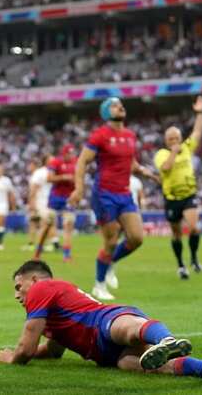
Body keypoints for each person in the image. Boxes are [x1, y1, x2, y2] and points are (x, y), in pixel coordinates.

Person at [0, 260, 202, 382]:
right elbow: (53, 350)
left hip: (102, 320)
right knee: (137, 364)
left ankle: (166, 339)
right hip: (105, 354)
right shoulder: (52, 315)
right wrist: (32, 353)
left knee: (127, 332)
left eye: (18, 286)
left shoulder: (41, 289)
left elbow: (25, 351)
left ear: (34, 280)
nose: (17, 295)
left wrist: (12, 357)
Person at [69, 97, 158, 300]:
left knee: (136, 238)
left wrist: (148, 173)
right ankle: (99, 285)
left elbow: (132, 163)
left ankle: (110, 263)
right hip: (104, 194)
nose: (121, 107)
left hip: (125, 194)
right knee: (111, 240)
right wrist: (79, 188)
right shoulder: (99, 135)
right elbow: (82, 162)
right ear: (106, 112)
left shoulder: (130, 135)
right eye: (115, 105)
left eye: (121, 104)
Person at [154, 96, 202, 279]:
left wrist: (199, 112)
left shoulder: (187, 148)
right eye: (170, 138)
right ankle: (181, 265)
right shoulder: (161, 154)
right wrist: (174, 153)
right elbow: (165, 169)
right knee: (176, 234)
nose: (174, 140)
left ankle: (193, 258)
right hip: (171, 198)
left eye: (176, 137)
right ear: (166, 140)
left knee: (193, 228)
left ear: (181, 137)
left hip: (189, 195)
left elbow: (198, 131)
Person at [46, 144, 77, 262]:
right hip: (55, 197)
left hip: (69, 198)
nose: (71, 155)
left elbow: (79, 178)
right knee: (48, 223)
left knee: (68, 225)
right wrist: (63, 177)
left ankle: (67, 254)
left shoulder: (76, 162)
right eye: (69, 153)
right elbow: (49, 178)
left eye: (72, 153)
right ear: (64, 154)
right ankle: (38, 252)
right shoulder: (55, 162)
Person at [25, 157, 58, 255]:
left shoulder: (51, 172)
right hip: (42, 201)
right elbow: (34, 188)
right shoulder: (41, 172)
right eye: (52, 159)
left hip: (48, 201)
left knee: (47, 223)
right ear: (46, 161)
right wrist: (32, 203)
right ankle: (42, 245)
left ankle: (47, 244)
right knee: (41, 222)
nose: (54, 161)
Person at [0, 166, 17, 251]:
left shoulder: (7, 180)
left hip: (3, 204)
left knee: (1, 222)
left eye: (1, 170)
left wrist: (13, 206)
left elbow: (11, 194)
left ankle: (0, 243)